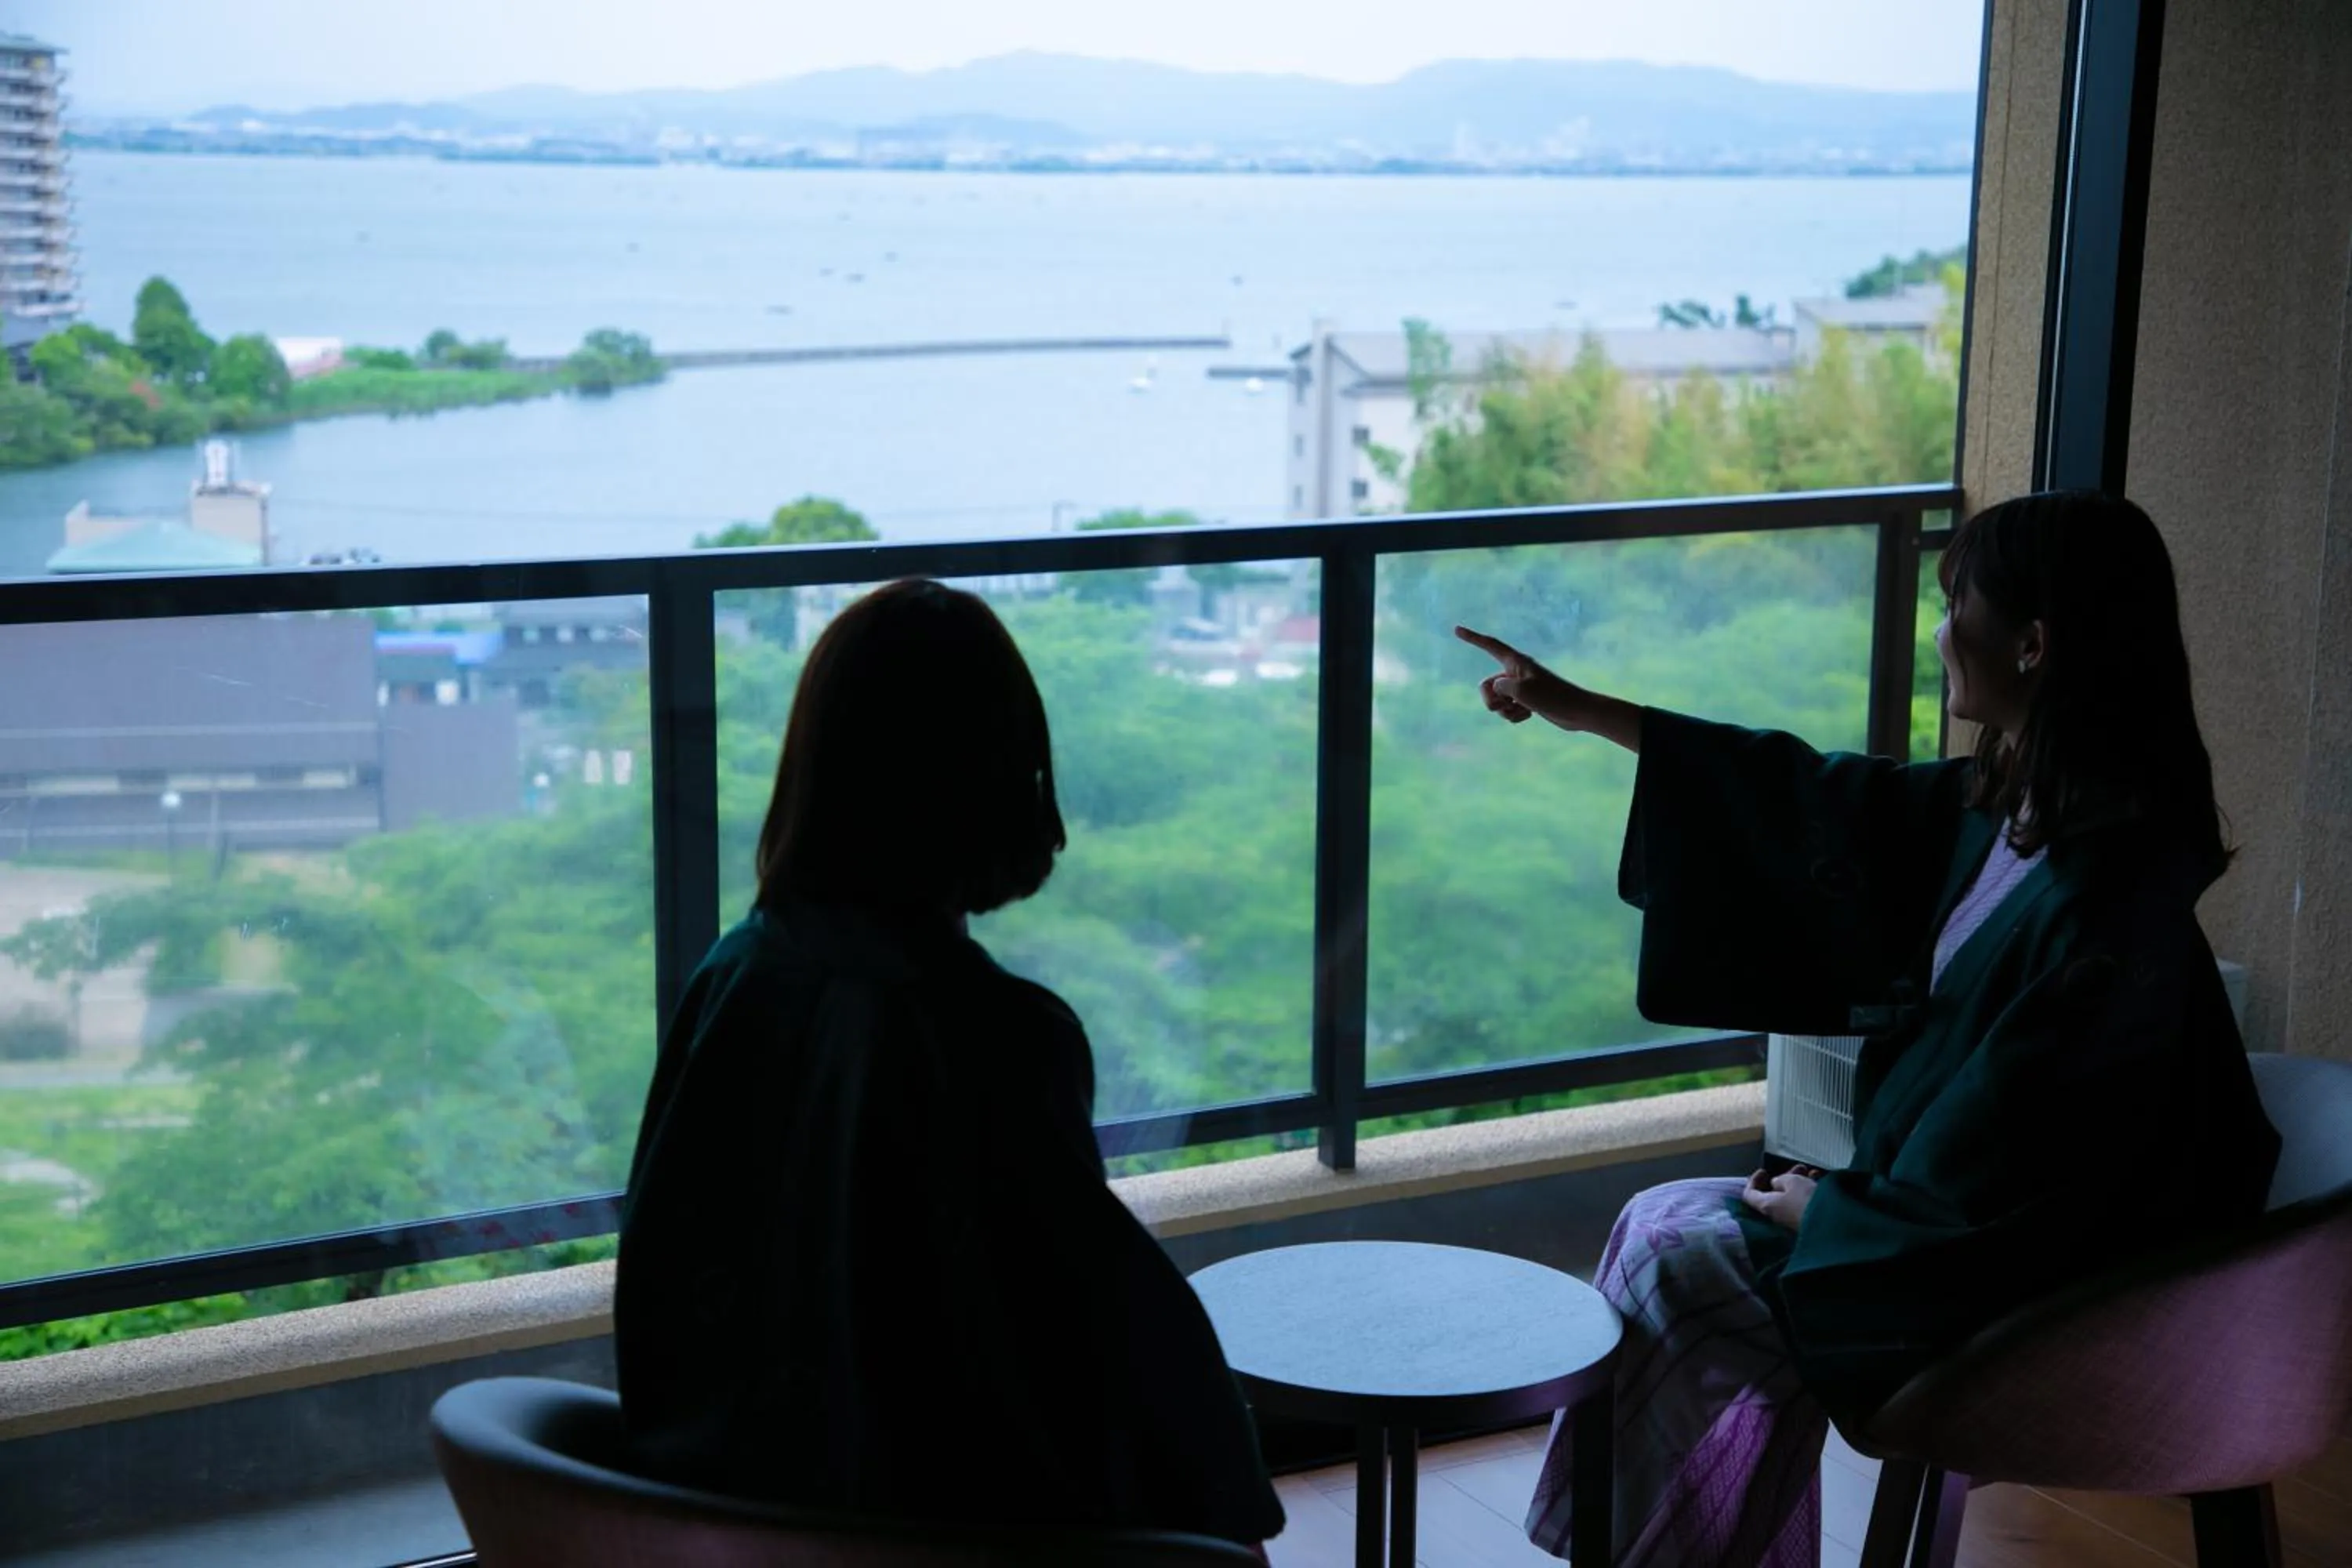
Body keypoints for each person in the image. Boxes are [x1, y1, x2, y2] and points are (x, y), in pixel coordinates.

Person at [1457, 492, 2281, 1568]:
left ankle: (1634, 1554)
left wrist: (1830, 1215)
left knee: (1672, 1262)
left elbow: (2019, 1172)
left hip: (2049, 1300)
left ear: (2032, 644)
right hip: (1958, 1236)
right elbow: (1805, 796)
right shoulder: (2014, 819)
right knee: (1657, 1223)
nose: (1940, 632)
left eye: (1956, 605)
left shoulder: (2103, 905)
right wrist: (1595, 714)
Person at [615, 578, 1284, 1549]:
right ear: (1004, 773)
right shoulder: (998, 1033)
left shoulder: (732, 980)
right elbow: (1092, 1333)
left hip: (742, 1517)